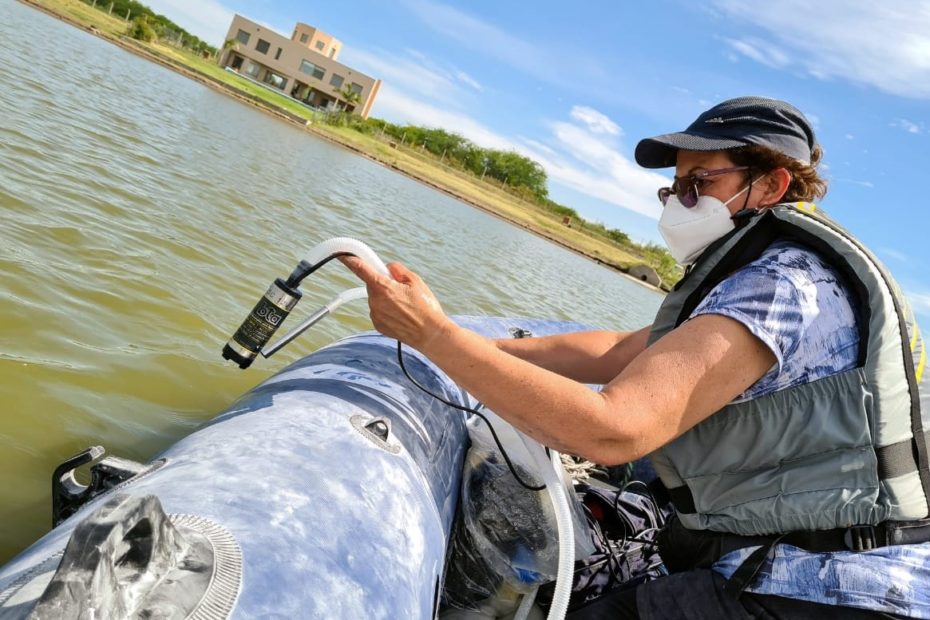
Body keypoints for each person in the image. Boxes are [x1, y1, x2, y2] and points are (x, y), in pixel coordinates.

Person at [342, 96, 930, 619]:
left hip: (833, 587)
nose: (681, 200)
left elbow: (617, 432)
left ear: (772, 186)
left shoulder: (782, 284)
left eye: (702, 181)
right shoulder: (772, 270)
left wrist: (435, 340)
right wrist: (464, 340)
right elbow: (623, 350)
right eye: (676, 186)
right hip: (812, 559)